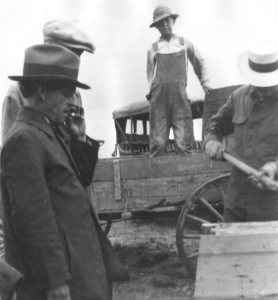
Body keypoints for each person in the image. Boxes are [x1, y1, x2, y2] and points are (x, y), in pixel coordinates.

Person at [1, 44, 128, 300]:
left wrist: (79, 139)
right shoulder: (24, 139)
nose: (72, 101)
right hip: (65, 279)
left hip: (78, 267)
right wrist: (55, 283)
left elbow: (79, 182)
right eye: (67, 92)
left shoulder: (46, 131)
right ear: (42, 91)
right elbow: (33, 222)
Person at [0, 20, 99, 259]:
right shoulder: (18, 94)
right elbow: (13, 161)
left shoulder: (74, 93)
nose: (75, 63)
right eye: (70, 55)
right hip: (44, 200)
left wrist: (81, 138)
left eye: (78, 57)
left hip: (72, 192)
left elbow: (75, 154)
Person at [204, 41, 278, 222]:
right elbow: (216, 124)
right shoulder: (238, 97)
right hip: (237, 192)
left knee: (264, 248)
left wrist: (274, 167)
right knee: (231, 242)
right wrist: (212, 141)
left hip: (270, 199)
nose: (262, 87)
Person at [147, 5, 211, 157]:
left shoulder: (184, 43)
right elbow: (150, 74)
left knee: (184, 143)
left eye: (167, 21)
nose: (164, 25)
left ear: (173, 21)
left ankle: (187, 179)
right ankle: (159, 179)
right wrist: (152, 92)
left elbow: (200, 62)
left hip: (180, 99)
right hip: (159, 101)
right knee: (157, 144)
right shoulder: (153, 48)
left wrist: (205, 82)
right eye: (160, 23)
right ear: (156, 26)